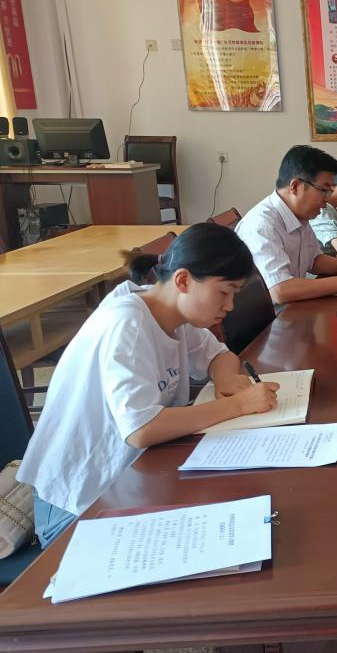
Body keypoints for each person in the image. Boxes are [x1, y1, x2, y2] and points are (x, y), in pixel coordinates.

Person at [16, 224, 282, 547]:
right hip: (77, 502)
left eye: (235, 295)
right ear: (183, 280)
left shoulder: (171, 312)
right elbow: (141, 429)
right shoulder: (128, 324)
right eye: (224, 293)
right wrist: (237, 405)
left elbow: (220, 355)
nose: (230, 306)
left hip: (128, 479)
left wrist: (224, 376)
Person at [236, 145, 337, 304]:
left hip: (293, 307)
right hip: (273, 315)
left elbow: (314, 260)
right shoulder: (262, 226)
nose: (327, 198)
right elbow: (280, 291)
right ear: (295, 186)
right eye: (324, 190)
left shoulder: (300, 216)